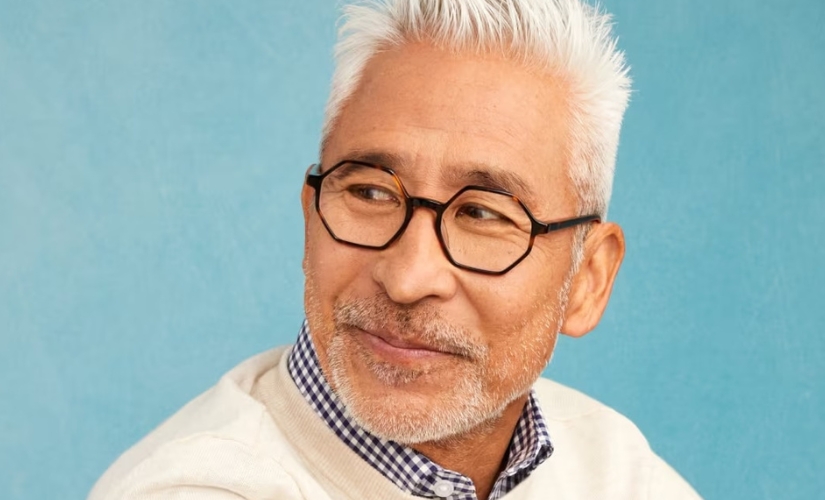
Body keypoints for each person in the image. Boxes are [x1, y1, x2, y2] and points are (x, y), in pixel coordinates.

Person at [89, 0, 702, 498]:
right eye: (371, 192)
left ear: (588, 279)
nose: (408, 277)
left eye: (484, 213)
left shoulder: (620, 476)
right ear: (311, 221)